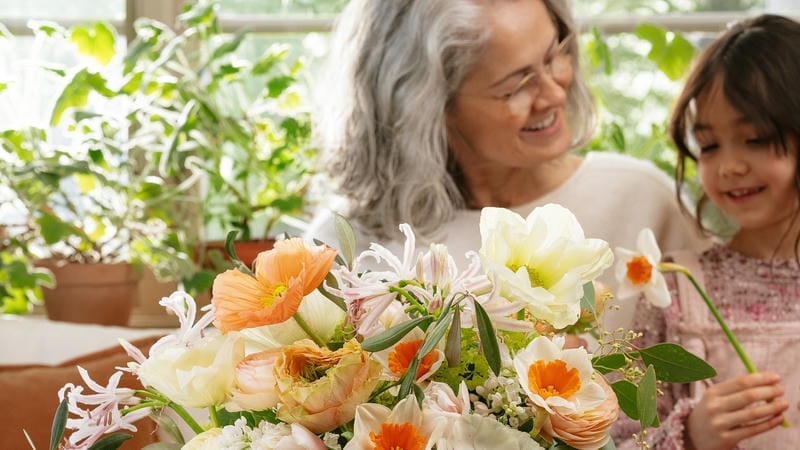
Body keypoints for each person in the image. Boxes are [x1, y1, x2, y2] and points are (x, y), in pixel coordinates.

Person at [305, 0, 707, 333]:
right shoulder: (347, 247)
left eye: (555, 57)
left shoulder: (642, 200)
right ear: (427, 108)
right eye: (516, 86)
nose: (552, 93)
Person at [615, 14, 800, 450]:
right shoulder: (675, 287)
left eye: (754, 138)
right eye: (710, 145)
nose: (729, 166)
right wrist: (691, 435)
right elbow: (625, 438)